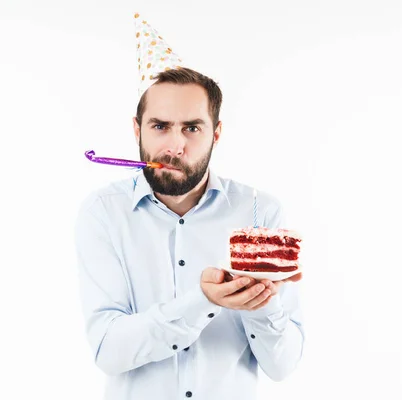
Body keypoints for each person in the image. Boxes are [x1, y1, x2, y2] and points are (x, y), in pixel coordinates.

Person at [73, 13, 304, 400]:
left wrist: (262, 304)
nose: (175, 146)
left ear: (216, 132)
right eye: (160, 126)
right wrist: (203, 302)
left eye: (192, 128)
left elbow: (282, 367)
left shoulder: (259, 211)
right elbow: (108, 351)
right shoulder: (103, 213)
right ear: (137, 129)